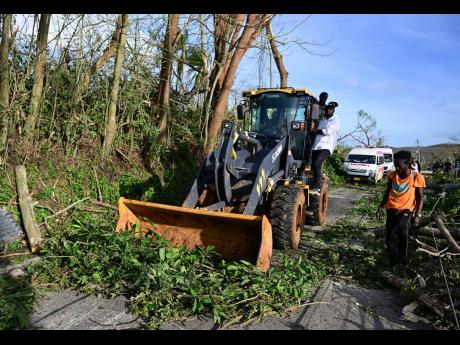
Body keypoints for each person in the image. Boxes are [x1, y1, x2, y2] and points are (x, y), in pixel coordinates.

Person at [376, 150, 426, 268]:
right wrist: (380, 208)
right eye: (395, 164)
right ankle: (393, 263)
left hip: (406, 210)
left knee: (403, 230)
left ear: (407, 163)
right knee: (391, 236)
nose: (397, 167)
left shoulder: (416, 177)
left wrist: (418, 215)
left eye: (399, 165)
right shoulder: (392, 175)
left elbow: (420, 198)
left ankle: (403, 261)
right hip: (391, 208)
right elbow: (388, 192)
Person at [309, 102, 341, 195]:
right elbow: (316, 131)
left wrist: (315, 130)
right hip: (317, 146)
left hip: (327, 146)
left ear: (333, 110)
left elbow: (327, 131)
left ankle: (317, 187)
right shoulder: (323, 120)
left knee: (317, 162)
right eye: (327, 109)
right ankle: (315, 182)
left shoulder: (335, 120)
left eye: (330, 109)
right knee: (312, 166)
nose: (328, 110)